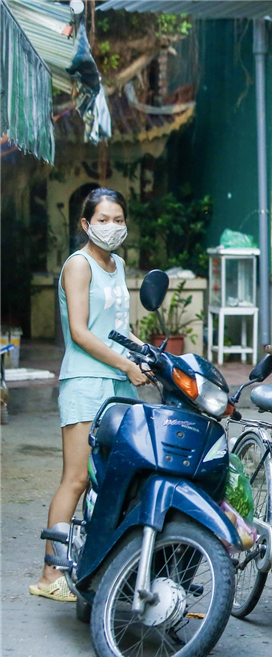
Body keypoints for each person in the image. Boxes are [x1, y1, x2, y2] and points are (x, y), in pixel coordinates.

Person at [32, 188, 150, 602]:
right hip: (85, 381)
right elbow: (81, 333)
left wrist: (144, 355)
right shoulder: (78, 266)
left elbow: (118, 326)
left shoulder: (117, 264)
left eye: (119, 219)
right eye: (103, 219)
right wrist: (126, 365)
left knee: (113, 479)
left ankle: (99, 565)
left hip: (118, 384)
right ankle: (50, 574)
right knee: (77, 478)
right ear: (85, 224)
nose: (113, 227)